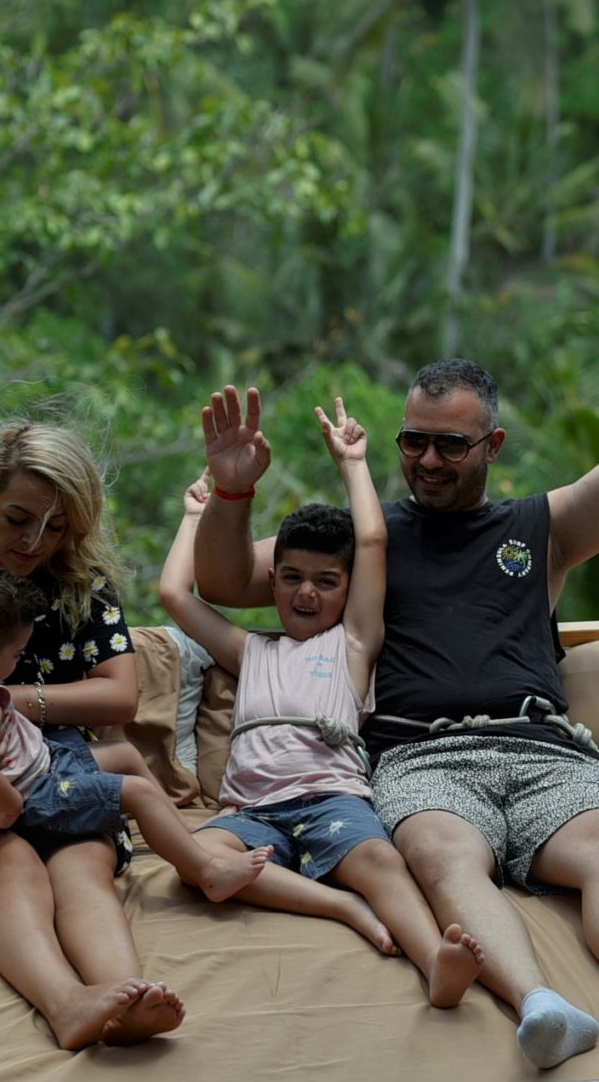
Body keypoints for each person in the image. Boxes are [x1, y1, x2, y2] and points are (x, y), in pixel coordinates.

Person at [191, 270, 599, 1068]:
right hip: (420, 754)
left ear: (493, 446)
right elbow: (226, 582)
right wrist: (233, 497)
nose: (429, 460)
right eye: (415, 440)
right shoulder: (362, 542)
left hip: (542, 748)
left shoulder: (539, 527)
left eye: (451, 443)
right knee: (447, 856)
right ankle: (538, 1003)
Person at [0, 419, 261, 1051]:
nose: (34, 541)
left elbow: (119, 693)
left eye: (56, 527)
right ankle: (66, 1006)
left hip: (51, 771)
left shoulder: (82, 590)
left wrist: (10, 706)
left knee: (82, 865)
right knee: (12, 864)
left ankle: (126, 995)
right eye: (17, 519)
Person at [159, 400, 487, 1006]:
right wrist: (194, 515)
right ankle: (341, 906)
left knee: (381, 864)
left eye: (326, 581)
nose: (306, 592)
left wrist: (354, 464)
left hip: (332, 799)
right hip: (251, 811)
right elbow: (174, 594)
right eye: (290, 577)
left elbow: (370, 538)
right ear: (273, 580)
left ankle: (433, 964)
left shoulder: (353, 645)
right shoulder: (251, 649)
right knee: (197, 859)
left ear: (346, 587)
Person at [0, 564, 273, 907]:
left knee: (123, 753)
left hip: (41, 759)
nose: (17, 663)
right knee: (137, 792)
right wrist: (10, 806)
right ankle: (207, 872)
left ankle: (185, 832)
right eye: (16, 654)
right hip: (34, 792)